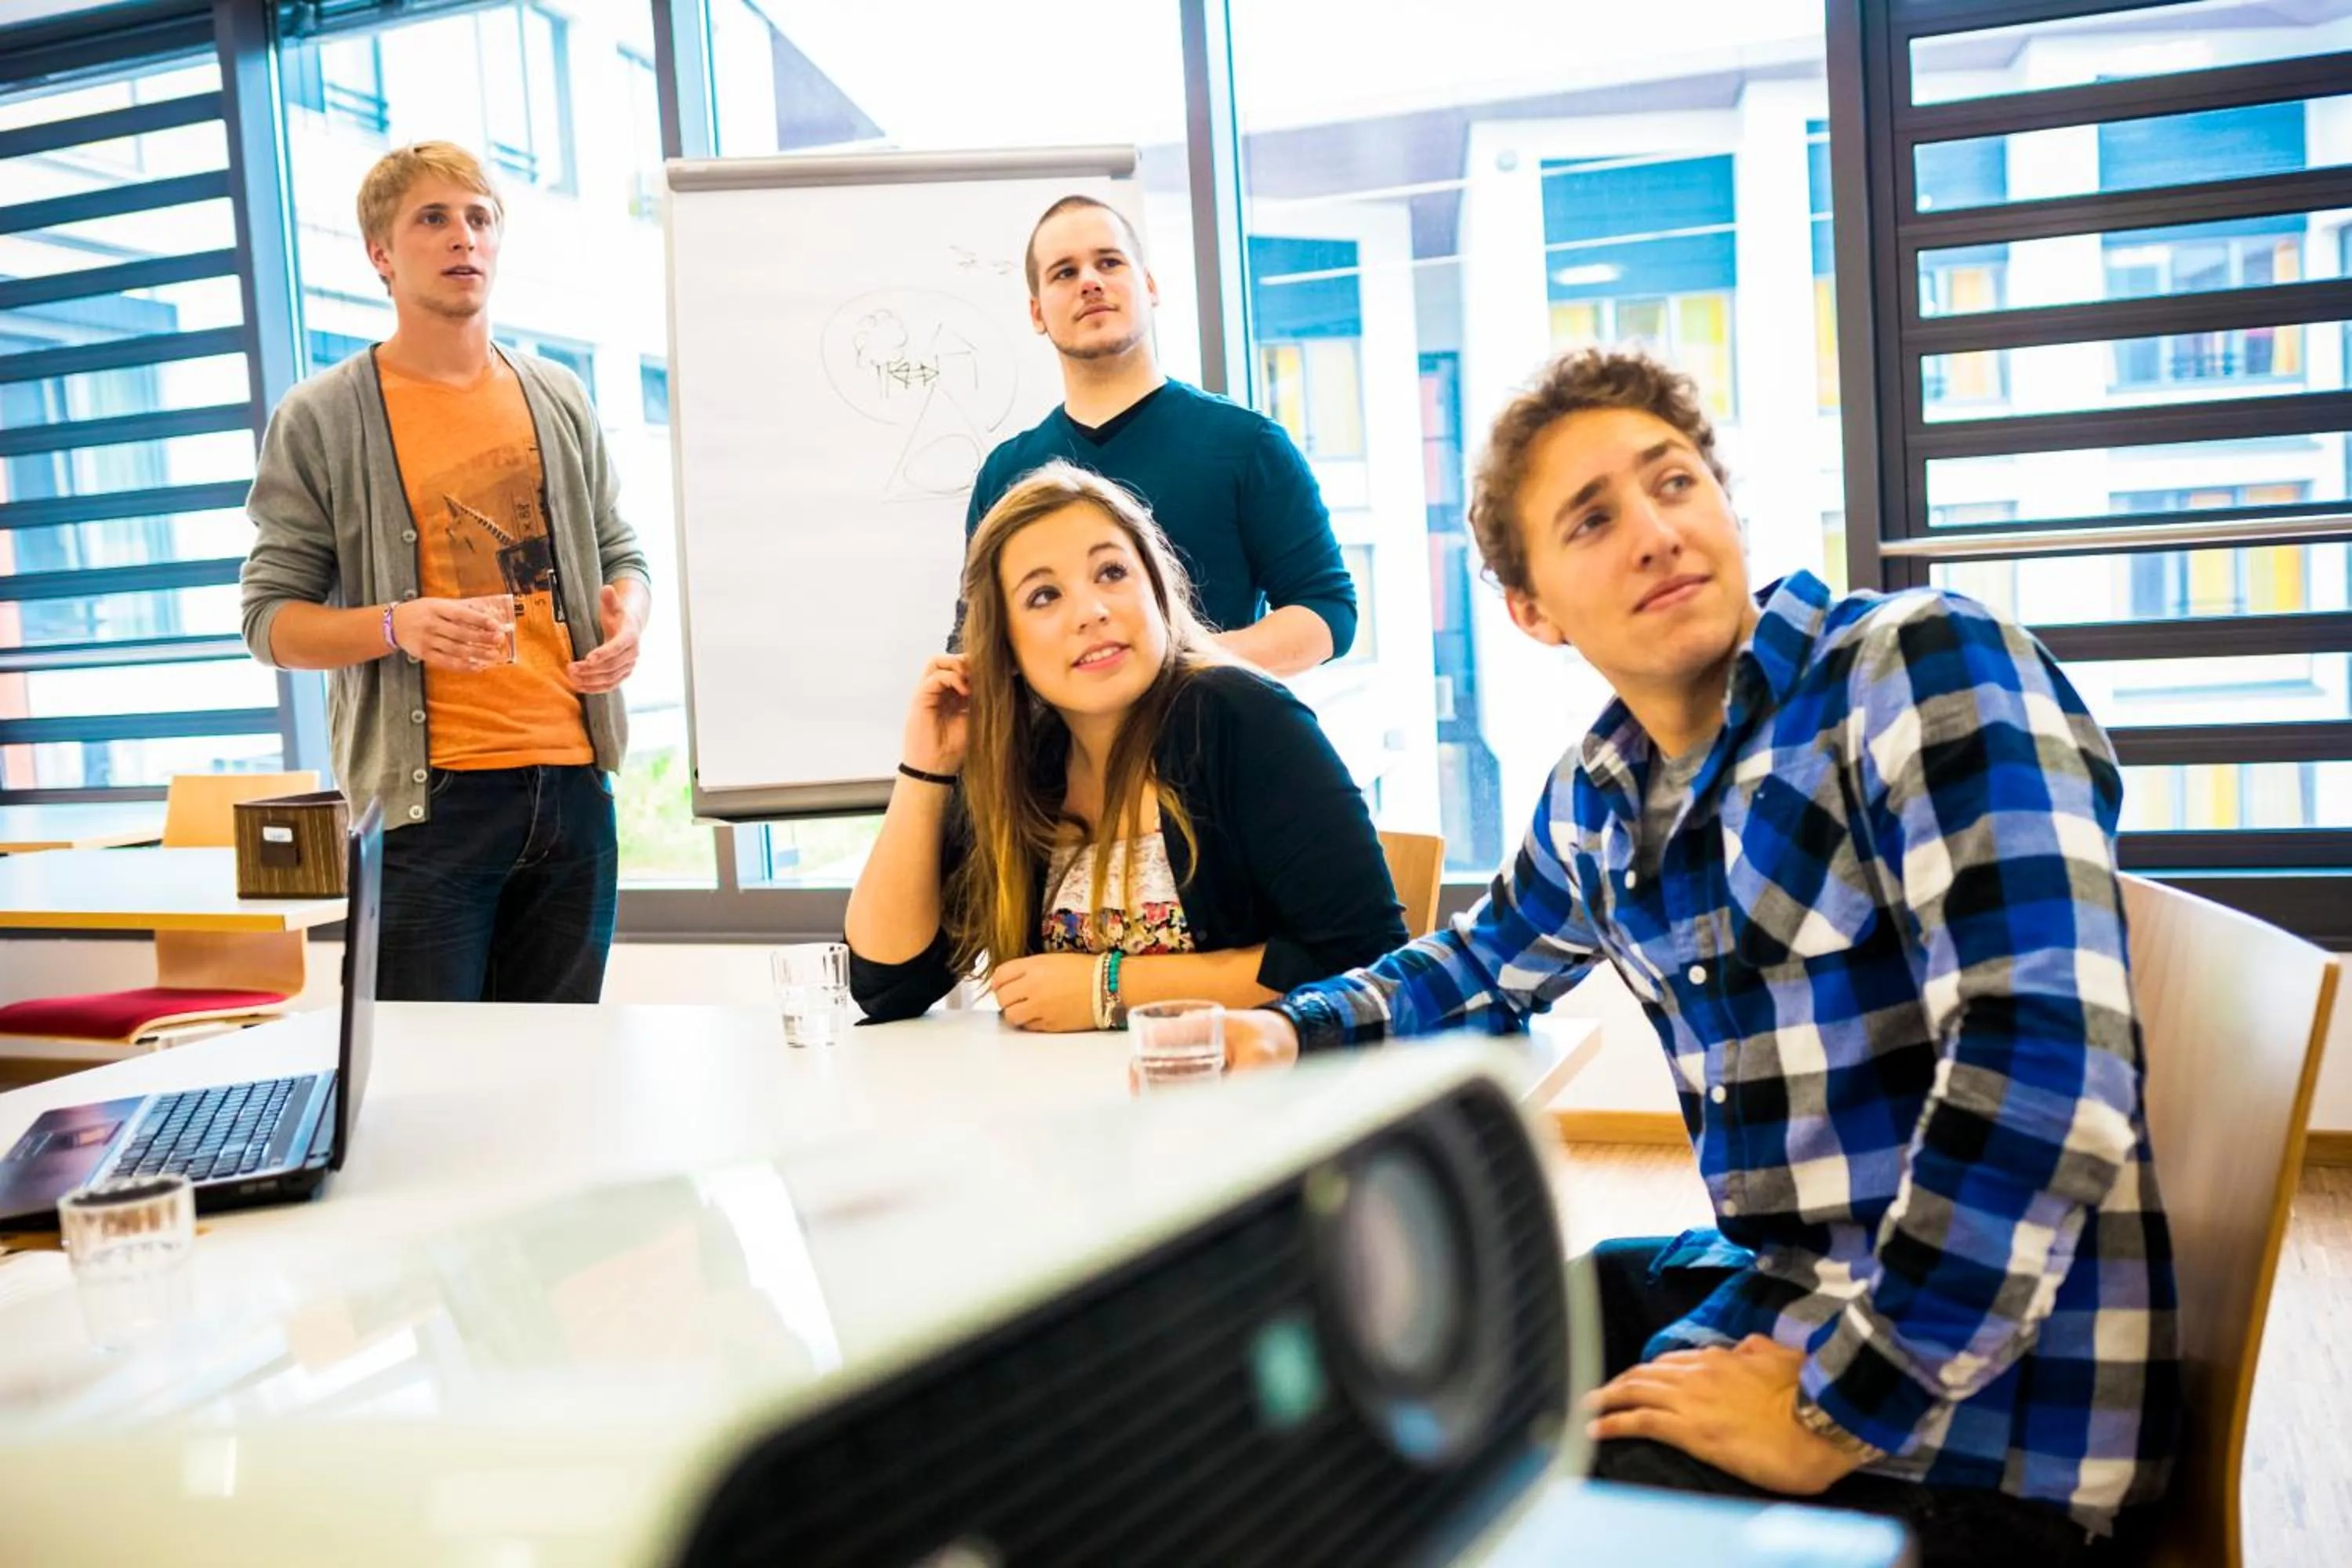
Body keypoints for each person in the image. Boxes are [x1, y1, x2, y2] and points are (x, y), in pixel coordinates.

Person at [1221, 350, 2179, 1563]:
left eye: (1676, 485)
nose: (1657, 533)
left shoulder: (1913, 667)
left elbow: (2046, 1061)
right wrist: (1289, 1027)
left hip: (1992, 1436)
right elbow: (1474, 966)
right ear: (1532, 610)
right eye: (1594, 519)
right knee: (1442, 1334)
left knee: (1533, 1503)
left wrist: (1839, 1416)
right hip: (1803, 1275)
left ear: (1727, 507)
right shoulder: (1608, 790)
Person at [241, 141, 652, 1004]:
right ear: (381, 255)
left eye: (479, 218)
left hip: (576, 791)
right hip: (431, 811)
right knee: (427, 1085)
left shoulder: (558, 392)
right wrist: (399, 623)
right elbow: (270, 623)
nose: (462, 236)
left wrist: (630, 618)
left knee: (556, 1078)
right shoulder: (322, 416)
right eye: (433, 218)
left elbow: (620, 548)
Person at [850, 461, 1404, 1029]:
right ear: (1007, 648)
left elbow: (1368, 962)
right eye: (1044, 596)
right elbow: (887, 983)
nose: (1092, 611)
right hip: (1078, 1105)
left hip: (1254, 1103)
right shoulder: (1025, 761)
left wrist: (1109, 987)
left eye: (1111, 572)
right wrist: (926, 769)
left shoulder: (1242, 716)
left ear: (1157, 590)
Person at [961, 195, 1355, 677]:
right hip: (1058, 754)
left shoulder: (1248, 444)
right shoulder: (1005, 474)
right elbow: (975, 636)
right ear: (1037, 312)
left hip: (1212, 745)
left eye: (1109, 262)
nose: (1090, 281)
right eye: (1064, 272)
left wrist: (1179, 662)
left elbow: (1328, 611)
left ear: (1148, 286)